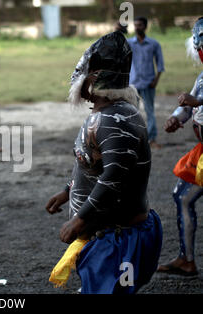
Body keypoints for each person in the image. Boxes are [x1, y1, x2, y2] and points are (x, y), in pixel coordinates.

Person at [46, 31, 162, 294]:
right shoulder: (111, 113)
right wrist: (67, 191)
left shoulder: (113, 119)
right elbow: (95, 164)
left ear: (95, 78)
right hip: (108, 238)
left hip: (118, 240)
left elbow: (114, 177)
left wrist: (79, 220)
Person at [157, 17, 203, 277]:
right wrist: (177, 117)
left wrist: (197, 100)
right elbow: (188, 106)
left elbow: (196, 100)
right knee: (183, 196)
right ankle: (187, 260)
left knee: (184, 197)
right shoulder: (202, 76)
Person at [127, 17, 165, 149]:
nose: (137, 27)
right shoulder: (129, 43)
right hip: (133, 84)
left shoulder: (154, 44)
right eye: (135, 25)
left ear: (145, 26)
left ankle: (152, 139)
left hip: (149, 83)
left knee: (150, 112)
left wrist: (156, 80)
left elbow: (160, 64)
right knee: (133, 113)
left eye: (140, 25)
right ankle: (133, 141)